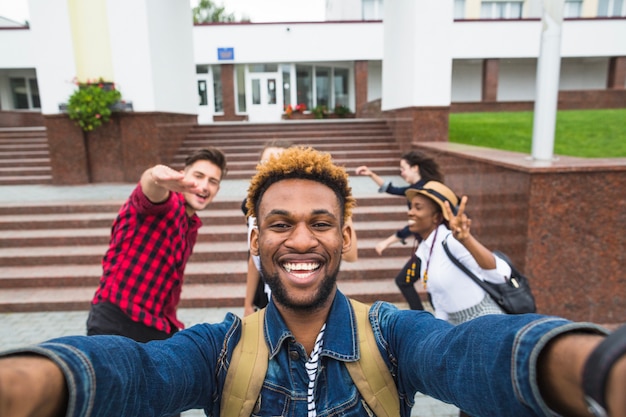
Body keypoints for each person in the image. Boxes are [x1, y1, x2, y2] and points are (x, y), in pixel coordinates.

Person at [1, 146, 625, 417]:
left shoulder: (393, 334)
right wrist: (29, 383)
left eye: (320, 223)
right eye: (279, 224)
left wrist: (598, 368)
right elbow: (135, 374)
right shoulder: (217, 347)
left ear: (346, 240)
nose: (300, 239)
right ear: (255, 243)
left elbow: (470, 353)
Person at [86, 147, 227, 342]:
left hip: (158, 326)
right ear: (182, 176)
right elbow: (150, 191)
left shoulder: (191, 225)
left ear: (217, 190)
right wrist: (156, 176)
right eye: (198, 176)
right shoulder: (166, 203)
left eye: (212, 182)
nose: (204, 186)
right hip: (117, 318)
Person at [242, 140, 358, 316]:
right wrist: (248, 303)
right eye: (268, 162)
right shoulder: (254, 209)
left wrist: (339, 213)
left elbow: (351, 255)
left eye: (319, 224)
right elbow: (253, 259)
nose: (301, 243)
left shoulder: (326, 206)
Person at [405, 181, 507, 325]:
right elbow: (439, 299)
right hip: (454, 324)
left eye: (418, 207)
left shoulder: (451, 241)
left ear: (436, 217)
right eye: (411, 207)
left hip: (483, 321)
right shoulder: (425, 249)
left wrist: (467, 240)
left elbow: (502, 274)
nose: (410, 212)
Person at [355, 150, 443, 310]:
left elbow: (414, 224)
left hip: (434, 246)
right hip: (427, 246)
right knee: (415, 283)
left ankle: (423, 319)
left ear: (415, 168)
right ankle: (423, 318)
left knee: (412, 282)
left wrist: (387, 242)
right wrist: (371, 174)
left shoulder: (426, 190)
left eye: (403, 168)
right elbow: (392, 189)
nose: (401, 173)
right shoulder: (417, 188)